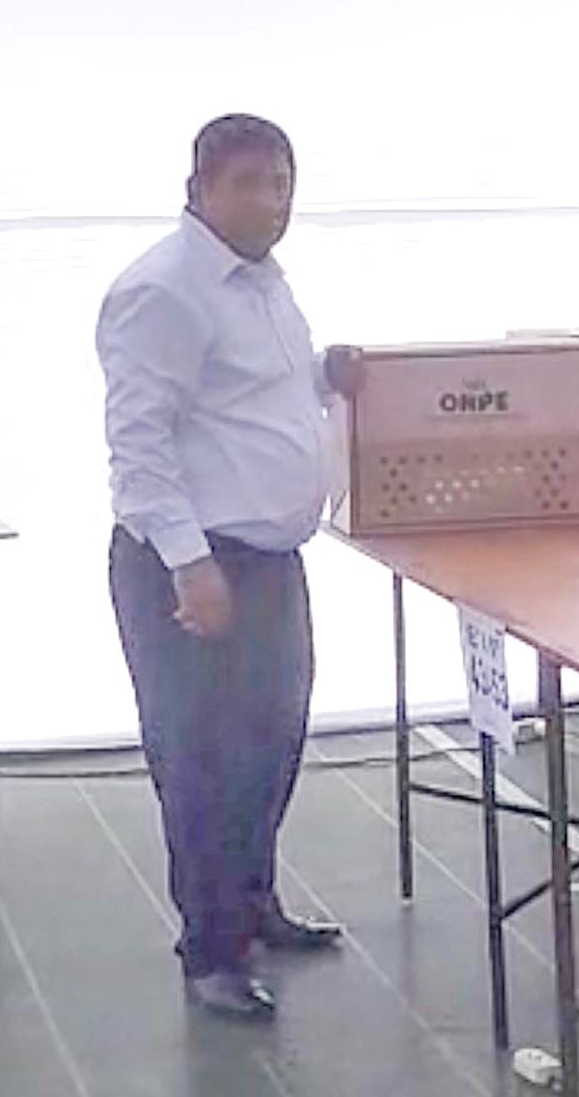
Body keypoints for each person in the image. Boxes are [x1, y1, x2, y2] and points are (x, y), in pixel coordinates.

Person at [97, 114, 362, 1018]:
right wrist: (189, 563)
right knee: (203, 761)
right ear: (198, 190)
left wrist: (327, 374)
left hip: (269, 560)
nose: (270, 201)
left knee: (272, 744)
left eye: (281, 183)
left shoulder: (264, 283)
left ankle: (252, 905)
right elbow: (139, 444)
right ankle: (211, 950)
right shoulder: (163, 291)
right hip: (194, 566)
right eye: (247, 183)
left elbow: (253, 397)